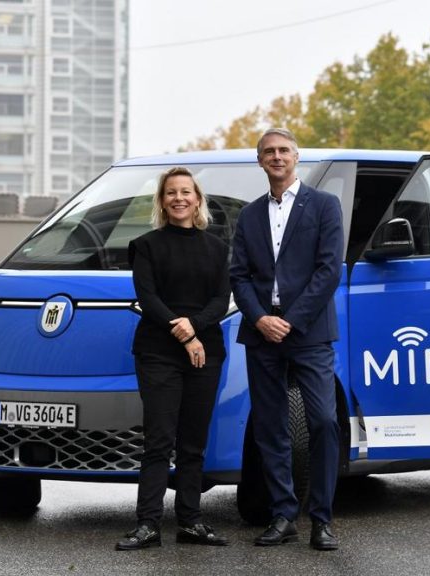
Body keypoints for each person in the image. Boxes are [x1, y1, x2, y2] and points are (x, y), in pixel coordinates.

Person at [229, 128, 343, 551]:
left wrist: (290, 322)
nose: (276, 157)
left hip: (309, 332)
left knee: (324, 421)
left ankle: (322, 519)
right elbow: (238, 275)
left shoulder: (324, 205)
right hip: (262, 333)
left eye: (283, 151)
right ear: (260, 160)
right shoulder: (249, 215)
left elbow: (329, 271)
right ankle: (283, 515)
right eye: (268, 152)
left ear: (296, 157)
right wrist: (261, 319)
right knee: (270, 426)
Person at [116, 167, 230, 550]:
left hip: (205, 354)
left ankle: (190, 521)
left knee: (193, 443)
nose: (179, 198)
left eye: (185, 192)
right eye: (171, 193)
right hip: (158, 353)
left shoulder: (217, 248)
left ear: (197, 200)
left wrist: (194, 327)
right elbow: (148, 299)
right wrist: (186, 335)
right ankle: (148, 524)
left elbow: (221, 299)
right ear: (162, 202)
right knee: (159, 441)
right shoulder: (145, 246)